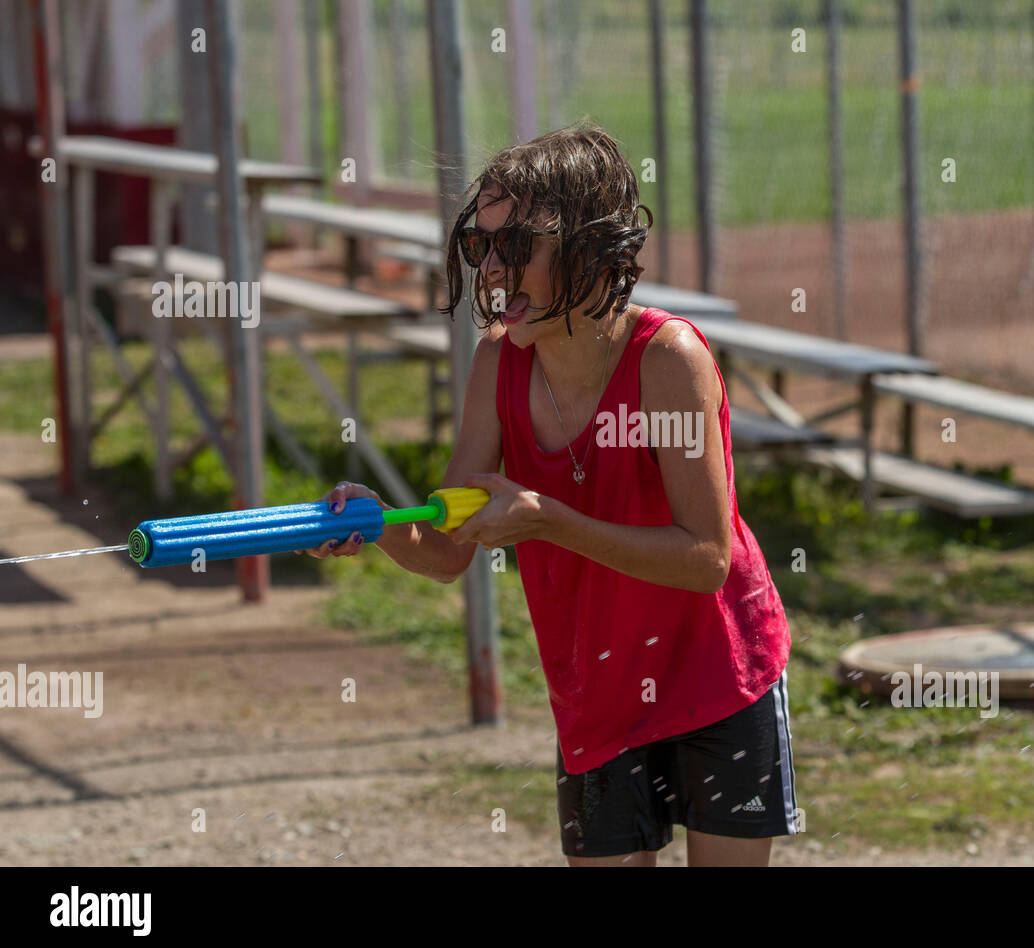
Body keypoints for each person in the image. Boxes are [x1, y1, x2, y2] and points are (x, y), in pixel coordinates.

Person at [300, 122, 795, 867]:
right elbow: (444, 551)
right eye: (481, 247)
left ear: (591, 247)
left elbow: (705, 559)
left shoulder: (667, 361)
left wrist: (550, 524)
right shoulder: (497, 364)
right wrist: (381, 525)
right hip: (596, 688)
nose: (493, 271)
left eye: (516, 247)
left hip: (716, 675)